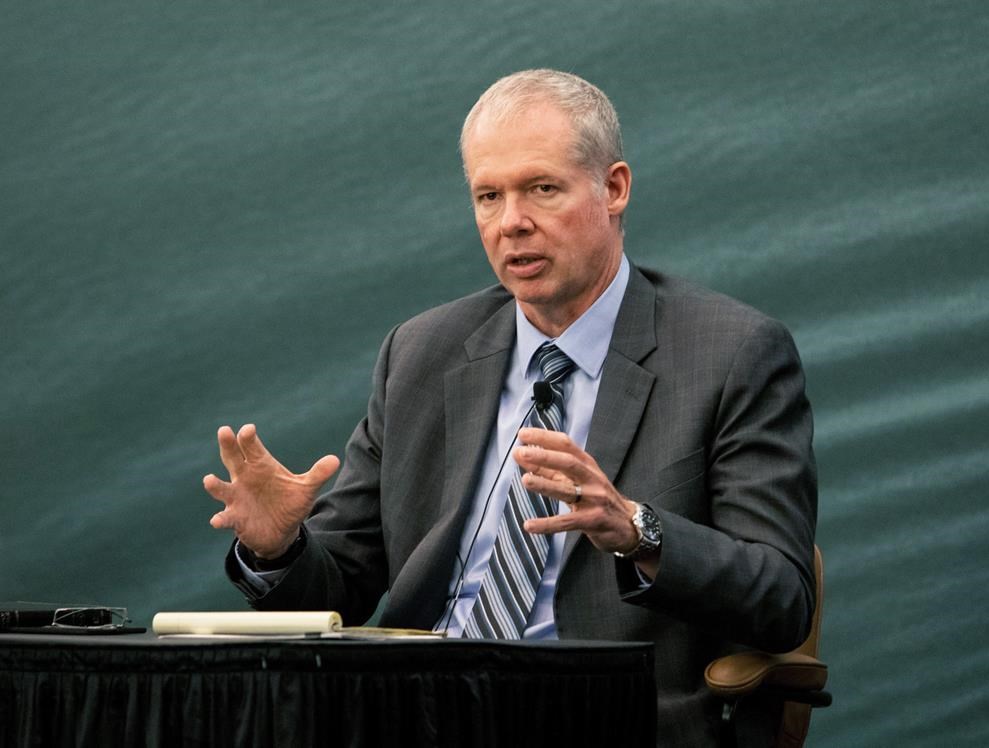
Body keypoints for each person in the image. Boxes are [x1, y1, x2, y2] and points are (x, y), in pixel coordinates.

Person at [203, 69, 817, 746]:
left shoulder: (730, 354)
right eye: (488, 196)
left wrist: (637, 530)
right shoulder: (422, 352)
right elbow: (338, 590)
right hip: (419, 711)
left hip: (604, 717)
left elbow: (781, 600)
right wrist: (278, 549)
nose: (511, 222)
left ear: (614, 189)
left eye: (542, 189)